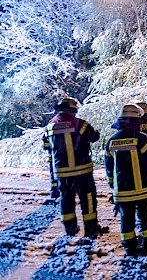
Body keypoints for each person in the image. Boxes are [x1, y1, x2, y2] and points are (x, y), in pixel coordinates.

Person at [42, 98, 107, 238]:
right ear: (73, 110)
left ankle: (70, 229)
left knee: (66, 199)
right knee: (88, 199)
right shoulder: (80, 124)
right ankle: (91, 229)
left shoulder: (50, 127)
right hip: (82, 170)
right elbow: (94, 136)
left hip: (62, 172)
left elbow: (46, 146)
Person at [105, 104, 147, 256]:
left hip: (122, 191)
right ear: (137, 120)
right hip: (143, 189)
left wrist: (112, 184)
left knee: (126, 217)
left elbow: (109, 167)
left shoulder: (112, 141)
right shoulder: (143, 139)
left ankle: (129, 245)